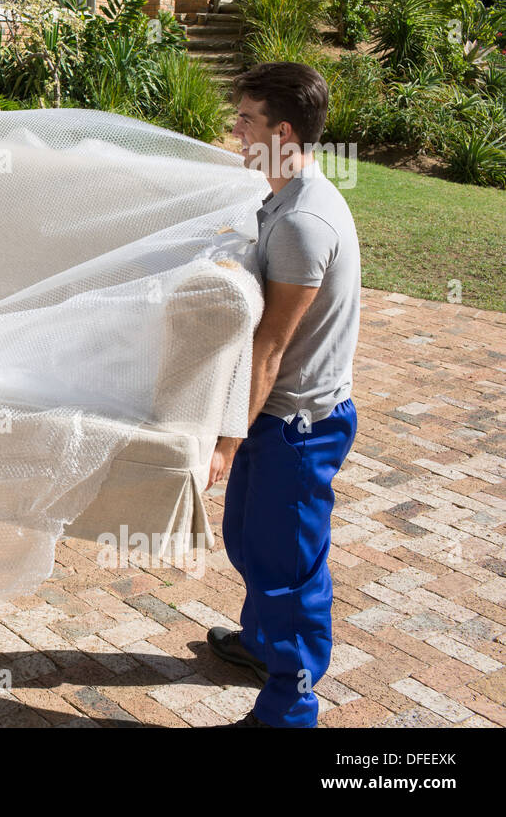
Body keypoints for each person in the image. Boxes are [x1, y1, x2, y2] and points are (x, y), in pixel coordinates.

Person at [206, 62, 360, 728]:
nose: (234, 130)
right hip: (273, 415)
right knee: (247, 542)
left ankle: (289, 712)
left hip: (298, 428)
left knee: (287, 573)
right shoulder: (280, 194)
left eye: (246, 120)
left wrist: (225, 443)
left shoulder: (304, 223)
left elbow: (270, 348)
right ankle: (264, 648)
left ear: (284, 132)